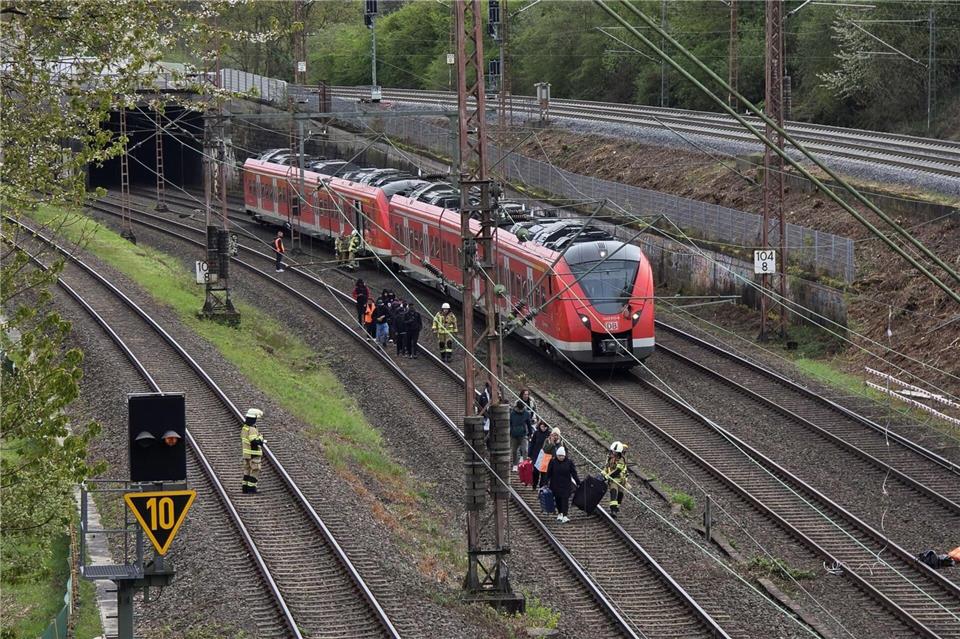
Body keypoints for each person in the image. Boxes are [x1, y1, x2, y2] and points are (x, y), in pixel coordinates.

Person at [547, 446, 578, 523]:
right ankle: (560, 513)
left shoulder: (569, 462)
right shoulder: (553, 462)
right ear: (557, 455)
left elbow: (574, 473)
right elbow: (548, 473)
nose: (561, 457)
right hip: (555, 484)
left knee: (565, 500)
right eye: (559, 456)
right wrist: (545, 482)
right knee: (558, 499)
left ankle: (565, 515)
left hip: (566, 485)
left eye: (562, 456)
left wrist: (578, 482)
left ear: (565, 455)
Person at [241, 408, 266, 494]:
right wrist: (261, 439)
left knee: (247, 470)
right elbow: (253, 441)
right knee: (255, 470)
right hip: (253, 453)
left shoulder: (245, 428)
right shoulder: (252, 429)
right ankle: (251, 489)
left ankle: (245, 488)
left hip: (246, 454)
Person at [602, 441, 629, 519]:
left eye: (616, 452)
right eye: (613, 451)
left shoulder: (622, 459)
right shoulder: (609, 457)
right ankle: (613, 510)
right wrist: (603, 474)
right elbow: (606, 467)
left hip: (621, 480)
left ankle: (616, 508)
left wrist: (606, 477)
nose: (614, 453)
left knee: (620, 494)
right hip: (613, 479)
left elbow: (618, 470)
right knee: (613, 492)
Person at [509, 399, 533, 471]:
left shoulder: (526, 413)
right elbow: (510, 423)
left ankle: (524, 464)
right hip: (514, 435)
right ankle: (515, 464)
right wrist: (511, 432)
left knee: (525, 450)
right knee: (514, 451)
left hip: (523, 435)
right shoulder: (512, 413)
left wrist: (530, 433)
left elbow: (529, 424)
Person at [528, 419, 550, 490]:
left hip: (545, 455)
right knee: (535, 471)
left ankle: (541, 487)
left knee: (544, 473)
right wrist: (529, 454)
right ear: (540, 426)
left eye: (545, 427)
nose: (544, 428)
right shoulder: (536, 433)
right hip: (536, 454)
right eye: (542, 426)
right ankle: (534, 484)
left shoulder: (549, 434)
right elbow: (532, 444)